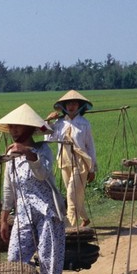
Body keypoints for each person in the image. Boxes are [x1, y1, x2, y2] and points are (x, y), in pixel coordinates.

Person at [0, 103, 66, 274]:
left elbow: (43, 175)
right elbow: (8, 189)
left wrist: (28, 154)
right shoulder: (10, 157)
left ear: (30, 128)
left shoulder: (43, 150)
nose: (14, 130)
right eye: (11, 127)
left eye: (18, 126)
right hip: (24, 212)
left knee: (47, 258)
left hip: (47, 211)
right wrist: (4, 219)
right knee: (15, 256)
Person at [44, 90, 98, 227]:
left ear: (79, 106)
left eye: (74, 103)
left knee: (71, 194)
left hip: (81, 163)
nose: (71, 106)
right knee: (74, 193)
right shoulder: (59, 123)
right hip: (64, 161)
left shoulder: (84, 124)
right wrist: (48, 122)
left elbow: (90, 146)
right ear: (64, 106)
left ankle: (71, 227)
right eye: (68, 104)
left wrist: (92, 169)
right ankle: (85, 218)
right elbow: (49, 139)